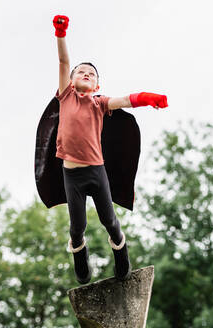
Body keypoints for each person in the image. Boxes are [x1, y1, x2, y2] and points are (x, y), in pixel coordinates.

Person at [53, 14, 168, 284]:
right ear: (70, 81)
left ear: (97, 86)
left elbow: (125, 100)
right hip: (72, 176)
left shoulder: (99, 103)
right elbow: (63, 61)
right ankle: (80, 256)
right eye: (81, 71)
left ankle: (120, 249)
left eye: (91, 74)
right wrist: (61, 34)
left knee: (109, 220)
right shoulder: (66, 95)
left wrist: (147, 98)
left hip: (96, 172)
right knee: (77, 227)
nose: (86, 74)